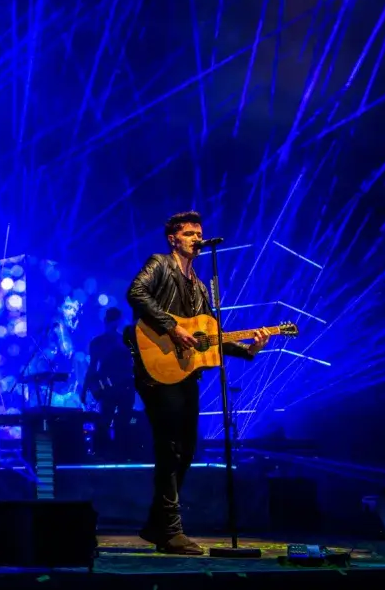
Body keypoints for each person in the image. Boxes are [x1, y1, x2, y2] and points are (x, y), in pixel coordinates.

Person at [125, 211, 270, 555]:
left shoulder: (200, 287)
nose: (195, 238)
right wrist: (172, 327)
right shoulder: (159, 264)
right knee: (170, 446)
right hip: (157, 370)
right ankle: (170, 530)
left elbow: (211, 336)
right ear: (173, 239)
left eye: (198, 233)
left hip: (186, 372)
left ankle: (156, 525)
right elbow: (136, 293)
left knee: (187, 448)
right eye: (188, 233)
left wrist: (250, 347)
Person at [84, 308, 136, 458]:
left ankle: (115, 452)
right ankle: (110, 453)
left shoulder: (122, 340)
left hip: (122, 386)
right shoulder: (100, 342)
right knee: (108, 420)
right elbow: (93, 367)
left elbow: (93, 367)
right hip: (111, 387)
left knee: (118, 420)